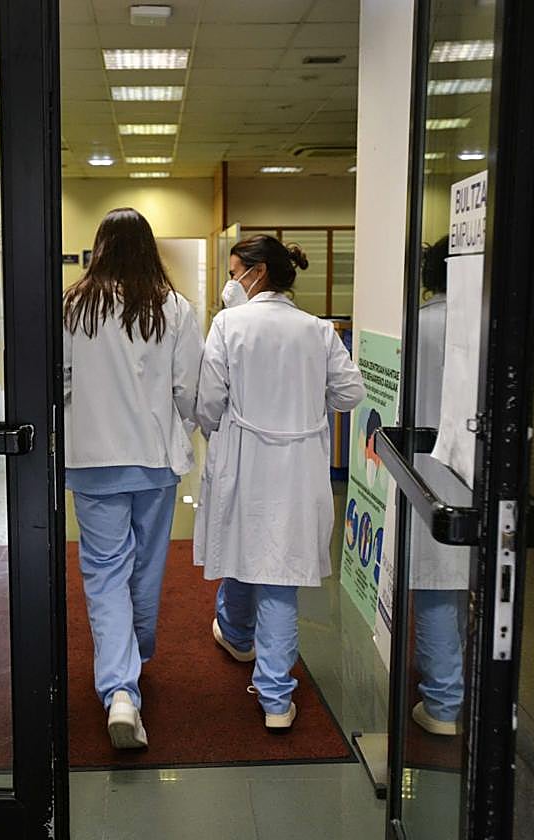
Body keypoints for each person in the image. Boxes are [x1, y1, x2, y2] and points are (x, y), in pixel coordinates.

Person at [195, 234, 365, 729]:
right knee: (280, 574)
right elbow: (350, 394)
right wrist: (308, 405)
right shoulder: (317, 330)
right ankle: (274, 698)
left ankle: (239, 637)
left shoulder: (229, 324)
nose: (231, 283)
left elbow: (208, 401)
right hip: (299, 470)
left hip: (246, 461)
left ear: (258, 272)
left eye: (233, 274)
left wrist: (224, 429)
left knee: (246, 551)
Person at [63, 207, 203, 749]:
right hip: (154, 461)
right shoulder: (175, 308)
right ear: (148, 248)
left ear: (100, 247)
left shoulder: (75, 305)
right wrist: (181, 429)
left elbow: (62, 380)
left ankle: (121, 689)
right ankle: (131, 666)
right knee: (146, 565)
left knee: (104, 574)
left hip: (94, 460)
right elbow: (188, 389)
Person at [409, 237, 470, 736]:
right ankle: (462, 690)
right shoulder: (493, 325)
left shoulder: (420, 324)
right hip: (484, 474)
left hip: (429, 471)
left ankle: (445, 702)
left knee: (436, 586)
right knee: (475, 585)